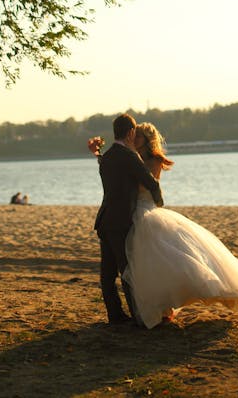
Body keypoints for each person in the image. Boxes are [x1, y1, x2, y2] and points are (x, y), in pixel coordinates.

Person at [123, 122, 238, 329]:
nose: (133, 140)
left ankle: (168, 306)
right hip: (136, 211)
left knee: (162, 259)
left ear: (147, 140)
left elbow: (146, 184)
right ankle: (161, 309)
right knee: (150, 263)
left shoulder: (154, 161)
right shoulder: (132, 159)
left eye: (137, 137)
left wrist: (132, 158)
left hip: (147, 211)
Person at [92, 113, 164, 325]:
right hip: (121, 221)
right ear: (131, 132)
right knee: (127, 270)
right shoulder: (129, 156)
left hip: (104, 220)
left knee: (107, 273)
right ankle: (137, 316)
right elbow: (152, 183)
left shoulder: (108, 157)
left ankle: (114, 315)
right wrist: (159, 204)